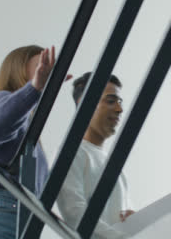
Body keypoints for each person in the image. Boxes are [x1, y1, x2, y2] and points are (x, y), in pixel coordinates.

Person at [0, 45, 61, 239]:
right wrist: (35, 88)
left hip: (13, 216)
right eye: (41, 65)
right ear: (19, 70)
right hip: (3, 213)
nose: (47, 71)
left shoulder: (26, 125)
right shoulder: (2, 99)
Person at [57, 72, 135, 239]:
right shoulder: (72, 154)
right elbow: (74, 214)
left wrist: (129, 221)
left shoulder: (113, 164)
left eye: (120, 102)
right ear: (84, 104)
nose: (119, 109)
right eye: (111, 101)